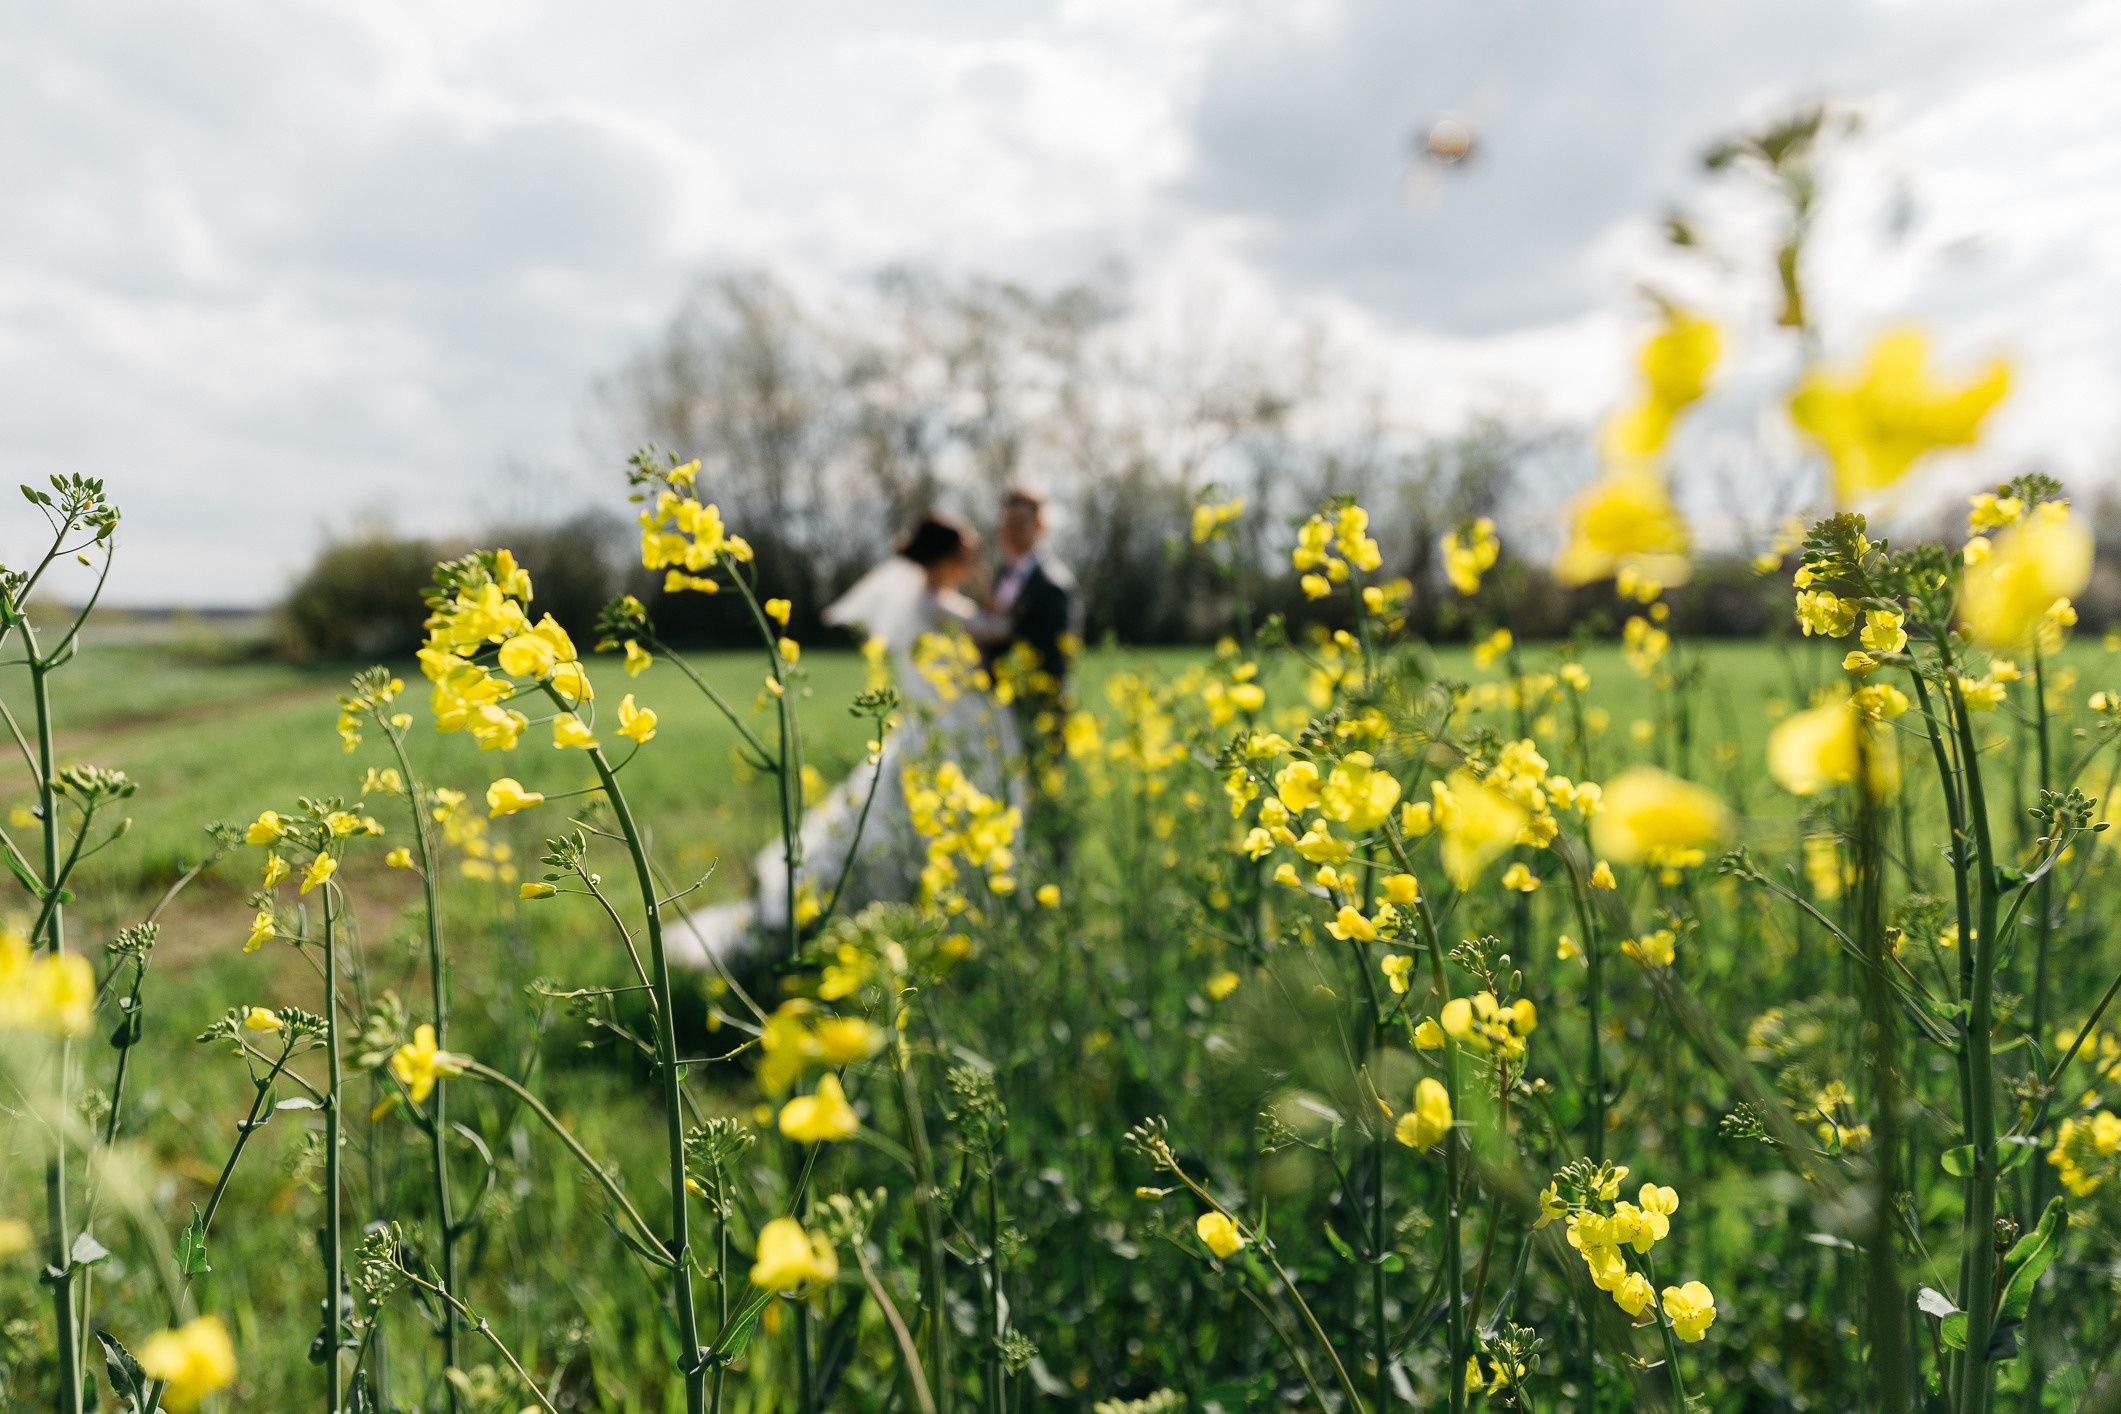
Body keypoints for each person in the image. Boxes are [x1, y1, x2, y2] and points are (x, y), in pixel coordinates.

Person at [673, 511, 1023, 965]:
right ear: (952, 556)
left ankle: (914, 922)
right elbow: (1002, 629)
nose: (976, 558)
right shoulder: (937, 602)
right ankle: (940, 926)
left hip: (932, 729)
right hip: (949, 734)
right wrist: (981, 581)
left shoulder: (930, 600)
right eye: (970, 552)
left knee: (908, 829)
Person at [981, 488, 1078, 696]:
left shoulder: (1053, 583)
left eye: (1019, 523)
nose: (1010, 530)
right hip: (999, 700)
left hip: (1035, 704)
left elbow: (1057, 658)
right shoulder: (1001, 574)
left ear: (1040, 526)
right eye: (1006, 522)